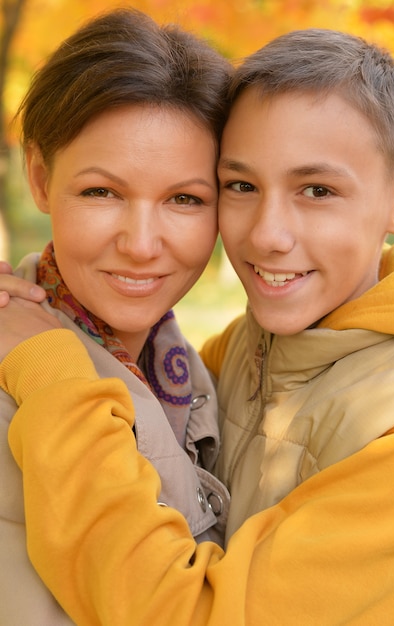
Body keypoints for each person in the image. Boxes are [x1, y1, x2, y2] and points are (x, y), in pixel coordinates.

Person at [2, 27, 394, 625]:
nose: (269, 235)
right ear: (40, 180)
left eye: (317, 190)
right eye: (242, 186)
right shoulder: (241, 355)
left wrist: (54, 377)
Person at [0, 7, 233, 626]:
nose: (140, 242)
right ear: (42, 178)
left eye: (185, 199)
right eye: (102, 192)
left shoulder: (198, 371)